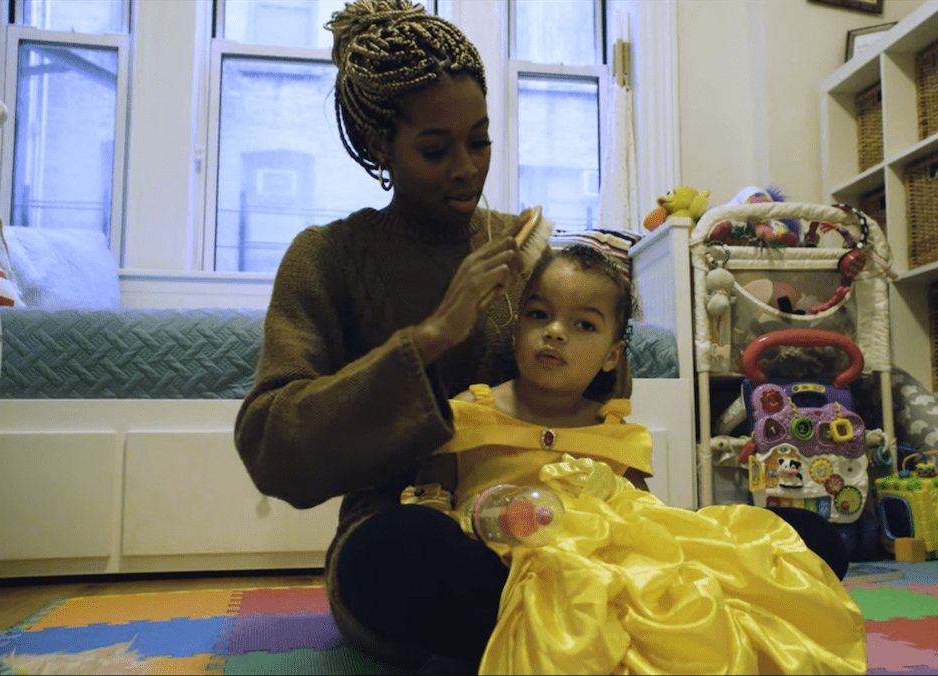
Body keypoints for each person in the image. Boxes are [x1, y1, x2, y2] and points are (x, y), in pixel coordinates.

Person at [234, 0, 559, 669]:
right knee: (413, 553)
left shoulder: (516, 246)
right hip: (406, 531)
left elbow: (595, 403)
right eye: (436, 150)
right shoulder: (327, 257)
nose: (467, 168)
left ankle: (570, 610)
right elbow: (270, 445)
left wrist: (586, 313)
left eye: (481, 138)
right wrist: (434, 334)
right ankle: (571, 620)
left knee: (784, 539)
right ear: (381, 145)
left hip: (545, 517)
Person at [407, 244, 867, 674]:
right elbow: (431, 499)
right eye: (539, 315)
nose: (554, 331)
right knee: (404, 546)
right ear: (516, 334)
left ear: (611, 356)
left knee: (807, 540)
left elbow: (646, 523)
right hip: (499, 573)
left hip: (604, 585)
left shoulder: (615, 432)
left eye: (583, 324)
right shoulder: (470, 410)